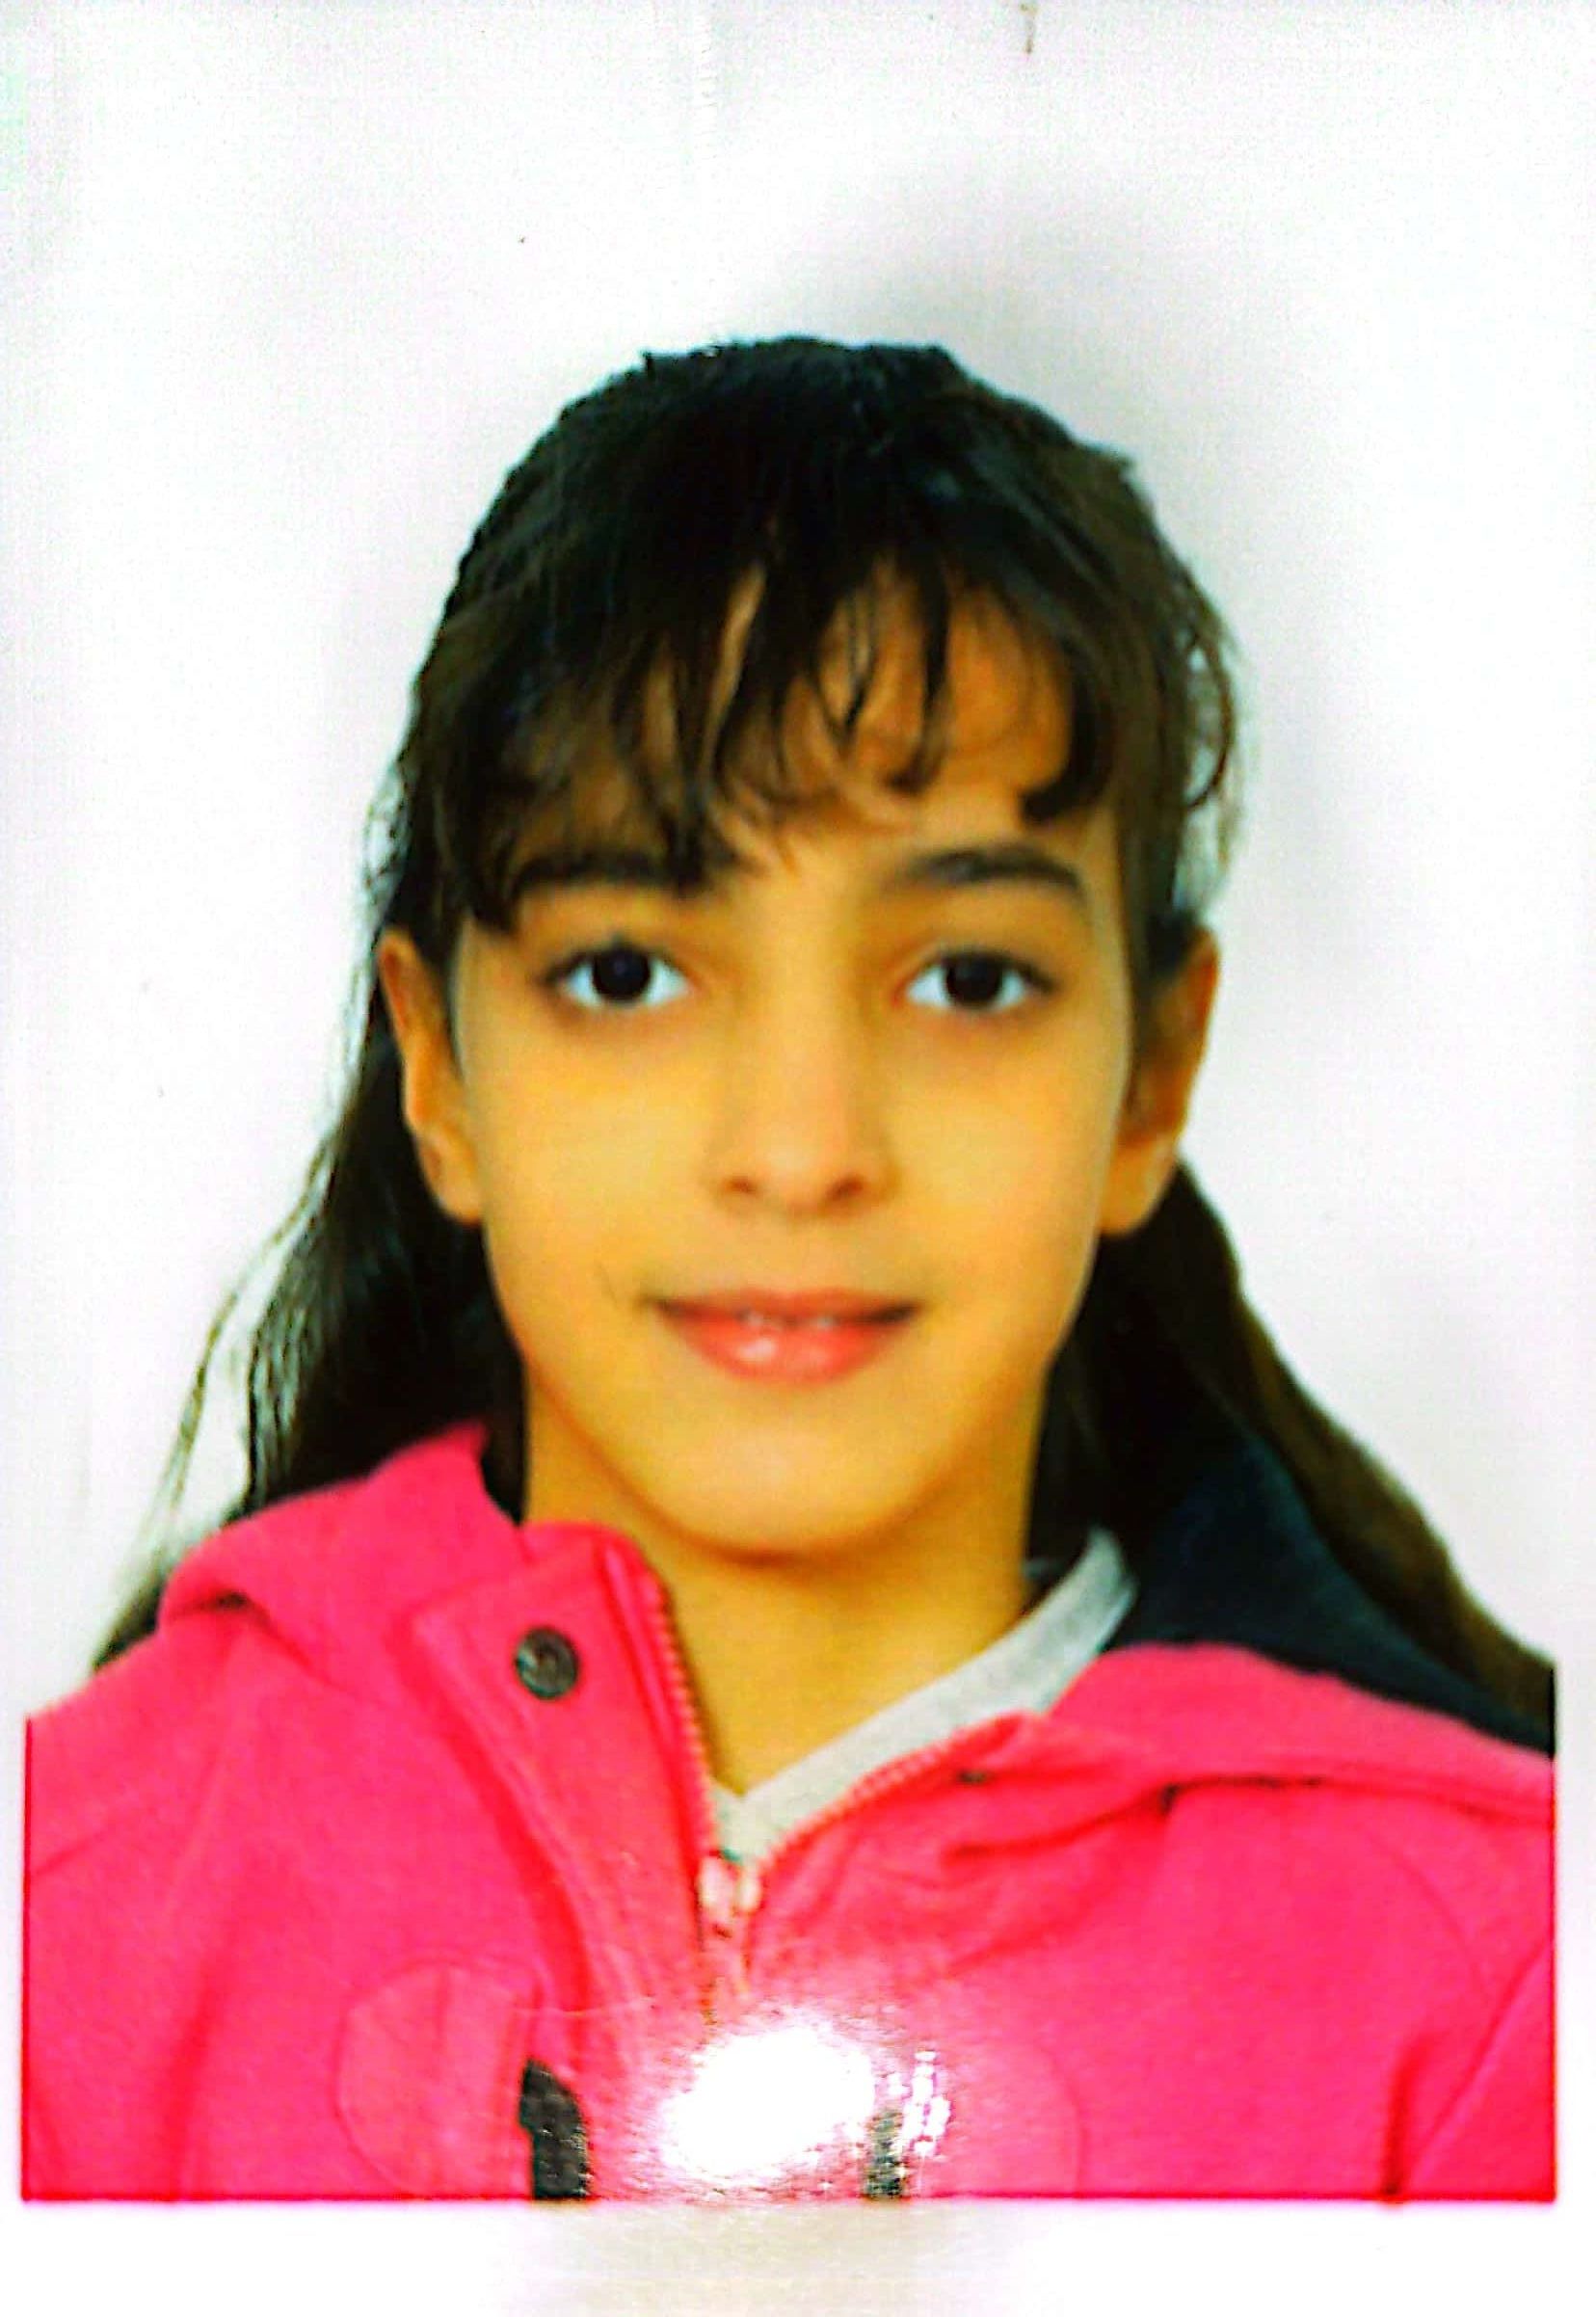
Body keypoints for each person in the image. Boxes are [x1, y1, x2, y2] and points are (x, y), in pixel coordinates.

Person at [23, 338, 1553, 2202]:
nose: (801, 1148)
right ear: (437, 1073)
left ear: (1153, 1075)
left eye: (967, 981)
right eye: (626, 974)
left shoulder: (1503, 1993)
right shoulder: (71, 1908)